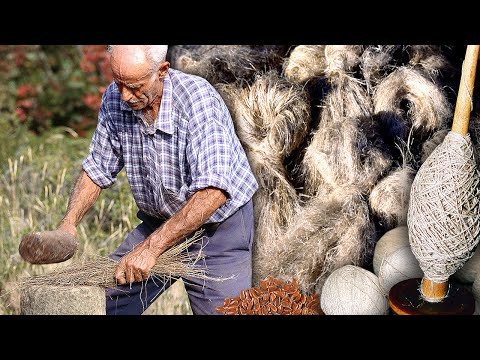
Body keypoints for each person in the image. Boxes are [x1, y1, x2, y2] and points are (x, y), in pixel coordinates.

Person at [55, 45, 258, 315]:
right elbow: (97, 168)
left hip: (217, 230)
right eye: (119, 83)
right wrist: (68, 223)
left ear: (162, 70)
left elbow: (213, 192)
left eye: (135, 86)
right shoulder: (116, 99)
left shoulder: (198, 99)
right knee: (97, 304)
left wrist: (151, 249)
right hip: (158, 222)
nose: (125, 96)